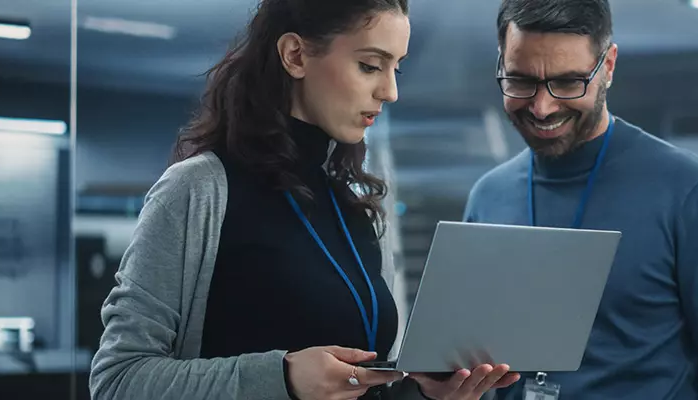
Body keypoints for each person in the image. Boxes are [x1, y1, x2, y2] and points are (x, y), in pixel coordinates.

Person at [88, 1, 519, 399]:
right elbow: (118, 380)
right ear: (295, 55)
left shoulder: (359, 209)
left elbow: (362, 386)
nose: (390, 91)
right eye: (370, 66)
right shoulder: (198, 190)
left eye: (396, 70)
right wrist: (284, 377)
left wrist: (425, 394)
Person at [463, 0, 698, 398]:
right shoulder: (489, 197)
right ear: (501, 64)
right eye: (521, 81)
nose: (542, 106)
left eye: (568, 82)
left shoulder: (685, 190)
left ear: (607, 66)